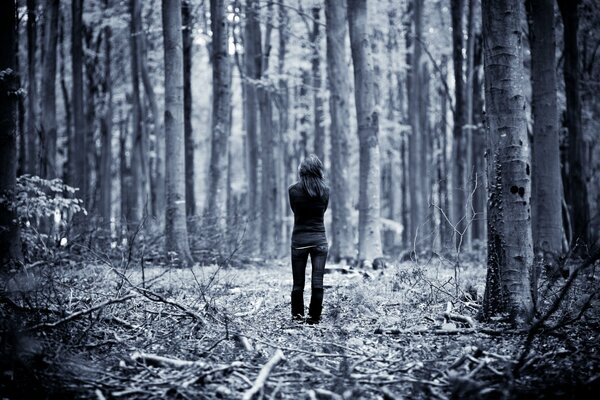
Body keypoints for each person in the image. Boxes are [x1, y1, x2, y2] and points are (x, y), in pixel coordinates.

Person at [288, 154, 329, 324]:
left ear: (302, 170)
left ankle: (297, 318)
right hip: (320, 240)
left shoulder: (293, 190)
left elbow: (295, 211)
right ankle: (314, 319)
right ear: (319, 170)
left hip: (299, 241)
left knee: (298, 283)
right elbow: (323, 211)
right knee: (317, 282)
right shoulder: (326, 190)